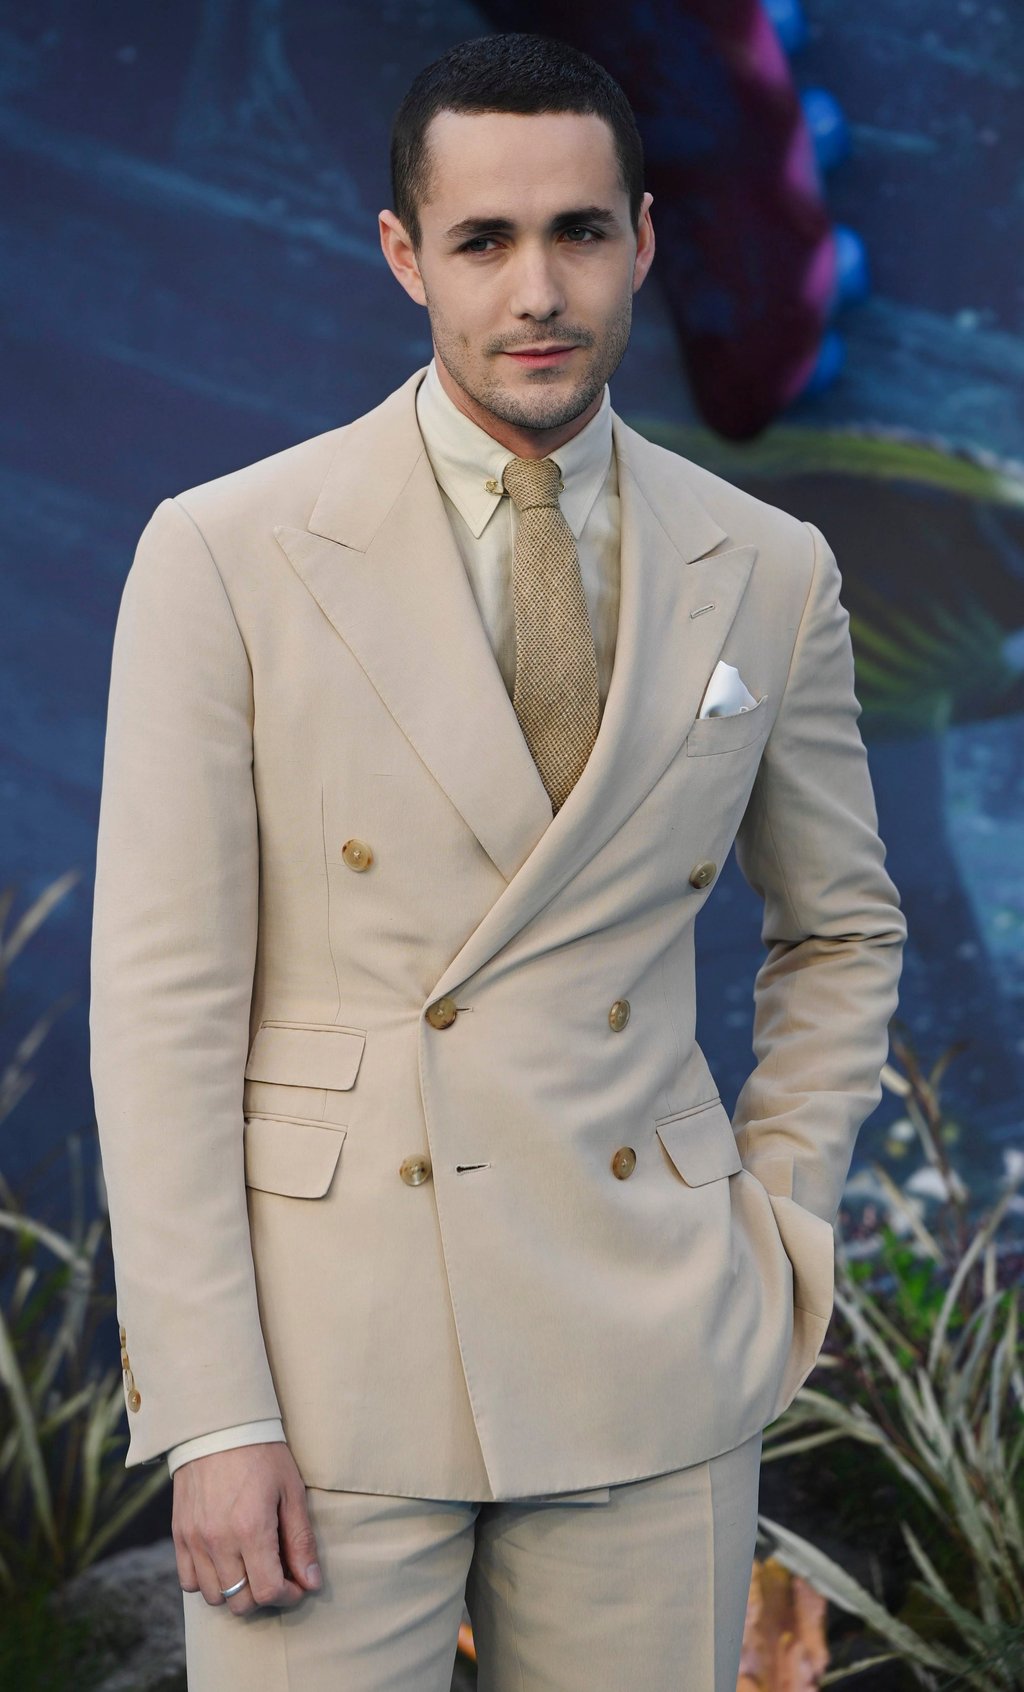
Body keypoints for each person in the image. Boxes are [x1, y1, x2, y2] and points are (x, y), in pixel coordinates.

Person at [89, 30, 907, 1692]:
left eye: (578, 233)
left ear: (643, 241)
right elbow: (162, 1009)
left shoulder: (769, 568)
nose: (538, 291)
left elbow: (841, 930)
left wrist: (777, 1232)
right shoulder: (225, 553)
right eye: (484, 240)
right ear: (406, 255)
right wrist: (214, 1409)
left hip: (654, 1349)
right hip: (328, 1372)